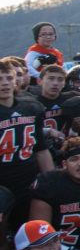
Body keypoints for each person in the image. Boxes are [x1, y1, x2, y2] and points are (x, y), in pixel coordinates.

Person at [0, 60, 52, 229]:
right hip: (2, 183)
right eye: (0, 79)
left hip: (29, 181)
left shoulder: (31, 108)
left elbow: (41, 150)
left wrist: (51, 180)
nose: (5, 83)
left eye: (9, 78)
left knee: (33, 229)